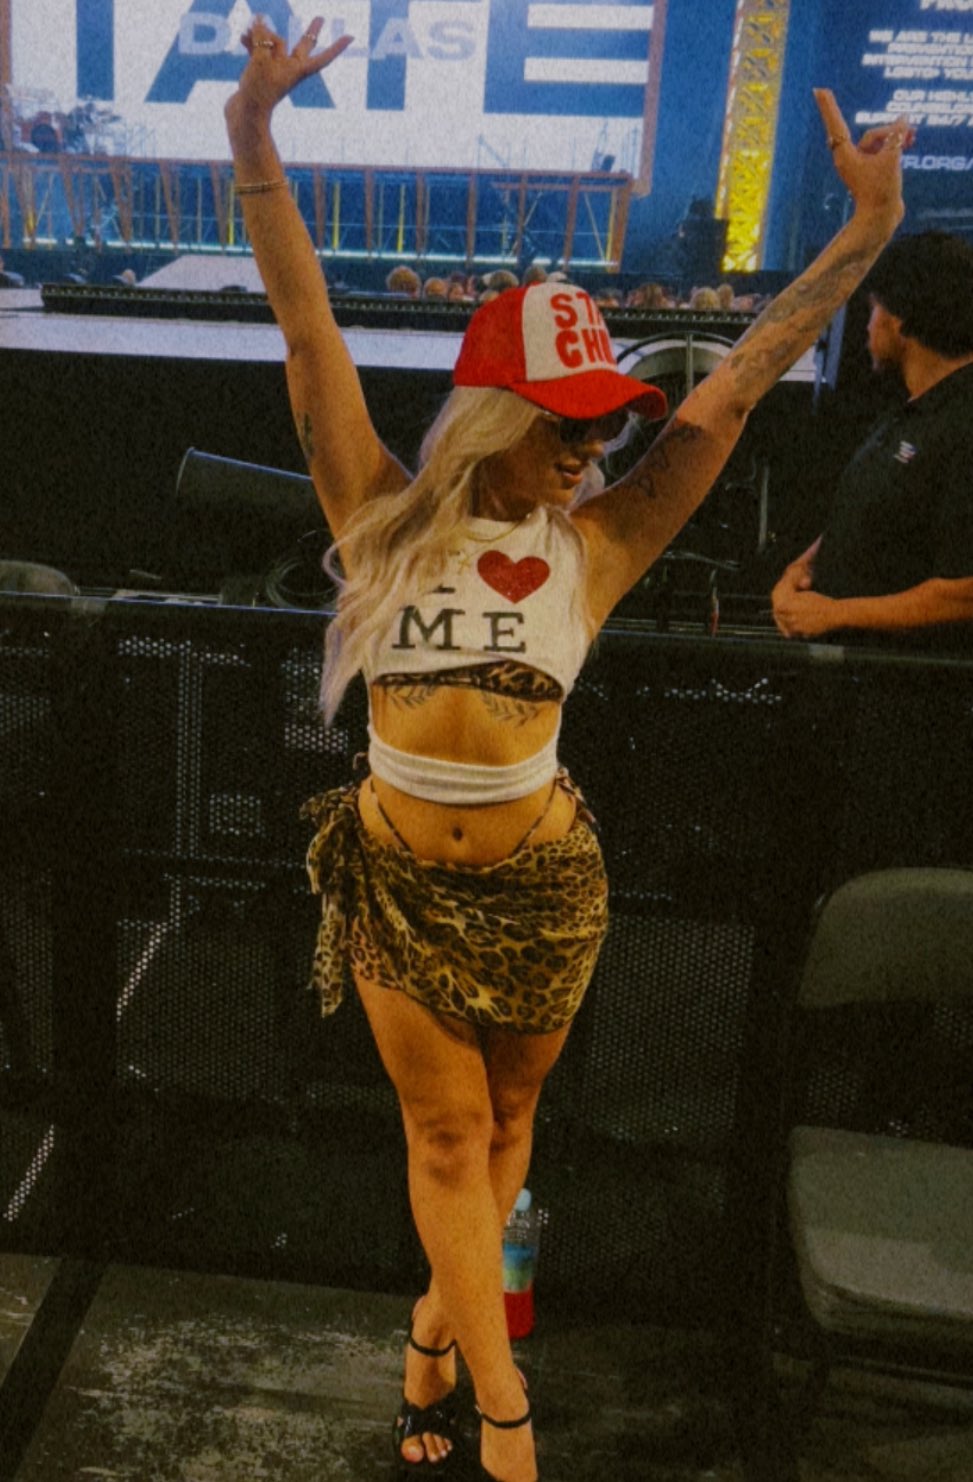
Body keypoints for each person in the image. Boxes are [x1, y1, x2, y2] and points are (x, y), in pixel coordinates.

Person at [225, 20, 907, 1481]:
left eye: (603, 425)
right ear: (498, 413)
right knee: (448, 1139)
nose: (593, 449)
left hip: (545, 884)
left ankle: (433, 1338)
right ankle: (505, 1418)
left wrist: (862, 237)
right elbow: (306, 332)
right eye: (569, 422)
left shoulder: (598, 543)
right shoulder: (377, 518)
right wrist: (251, 138)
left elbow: (733, 388)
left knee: (511, 1123)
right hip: (400, 878)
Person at [772, 231, 973, 647]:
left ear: (901, 321)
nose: (867, 326)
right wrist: (804, 567)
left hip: (905, 681)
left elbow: (964, 593)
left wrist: (835, 614)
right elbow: (882, 514)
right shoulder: (909, 411)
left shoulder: (963, 421)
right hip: (841, 673)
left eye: (873, 309)